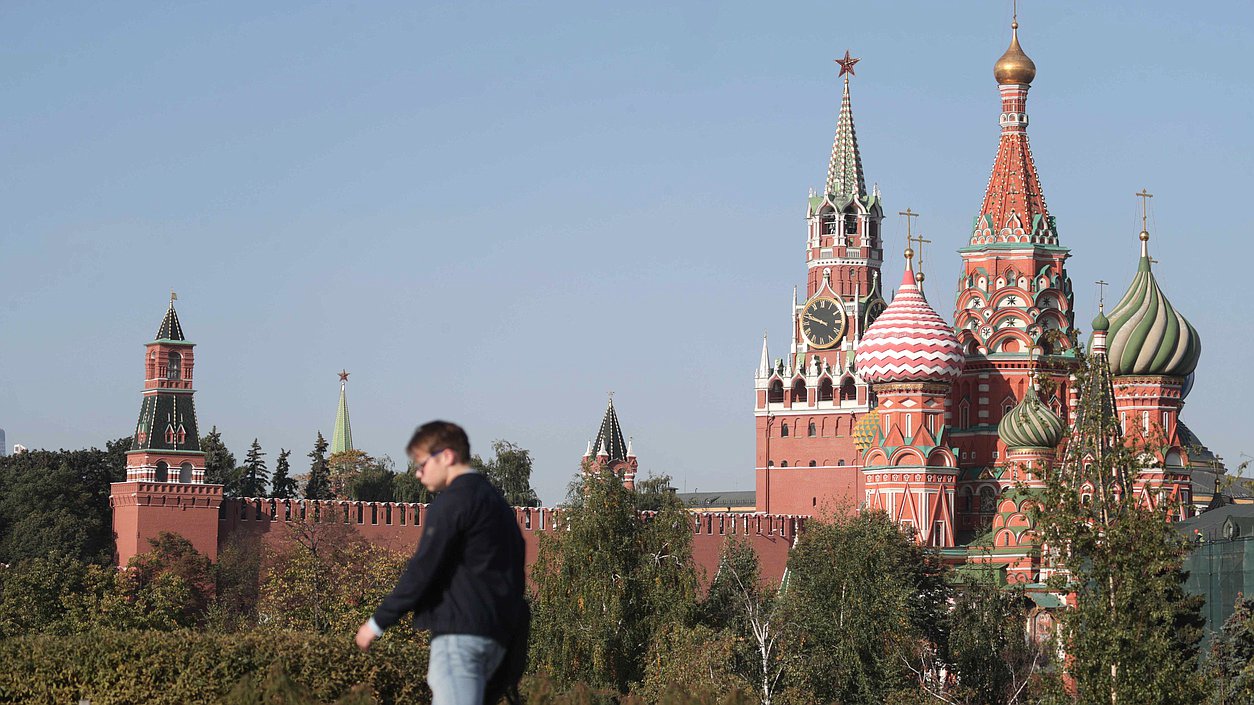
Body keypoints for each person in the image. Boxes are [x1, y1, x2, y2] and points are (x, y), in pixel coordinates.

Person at [355, 421, 527, 705]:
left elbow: (423, 569)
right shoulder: (497, 504)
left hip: (459, 639)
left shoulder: (452, 502)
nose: (418, 473)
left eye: (421, 463)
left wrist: (377, 623)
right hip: (498, 639)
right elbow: (516, 575)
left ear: (446, 456)